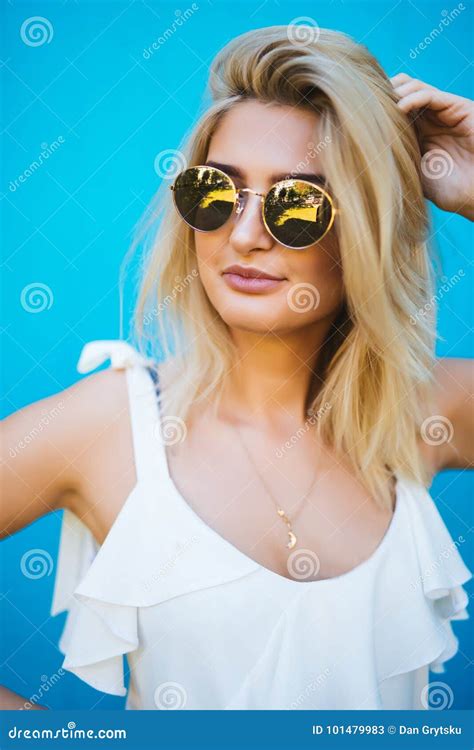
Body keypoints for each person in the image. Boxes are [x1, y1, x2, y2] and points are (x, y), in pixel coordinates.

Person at [1, 25, 473, 711]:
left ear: (368, 226)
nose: (245, 235)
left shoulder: (427, 411)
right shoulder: (111, 425)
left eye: (300, 203)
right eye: (215, 194)